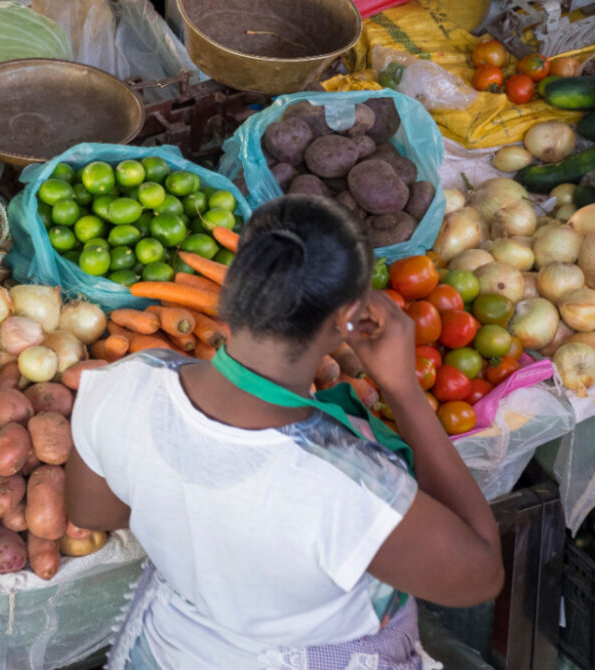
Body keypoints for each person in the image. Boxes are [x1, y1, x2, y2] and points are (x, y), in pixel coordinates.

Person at [66, 195, 504, 669]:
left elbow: (93, 511)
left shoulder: (125, 384)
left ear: (233, 285)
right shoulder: (348, 486)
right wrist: (404, 391)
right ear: (347, 321)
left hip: (171, 652)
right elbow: (480, 576)